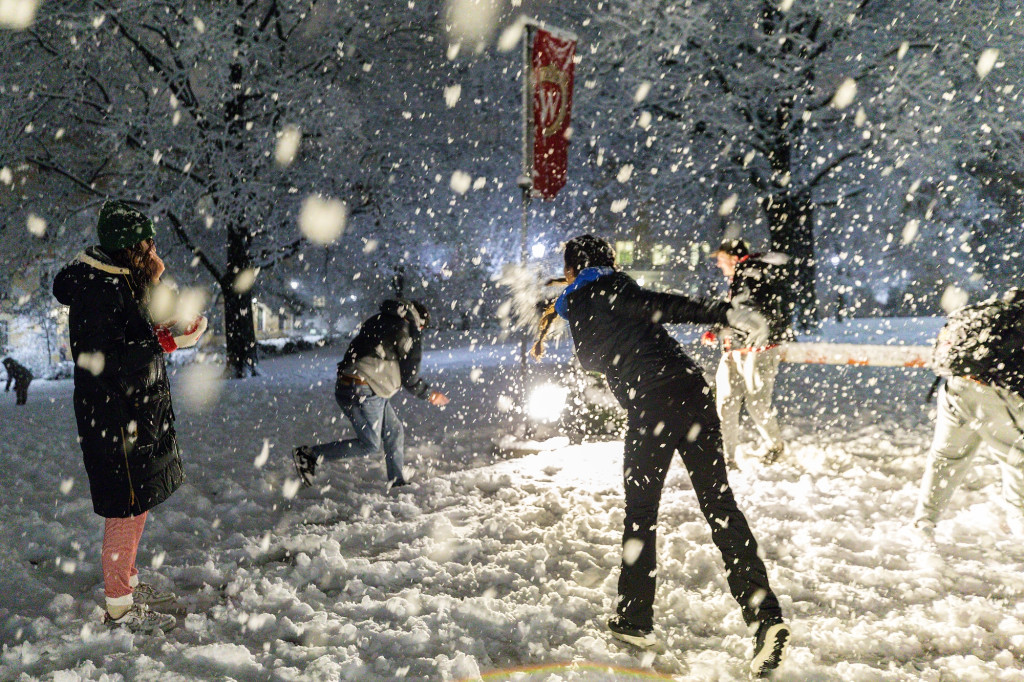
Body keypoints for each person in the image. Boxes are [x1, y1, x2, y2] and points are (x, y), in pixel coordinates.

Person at [536, 234, 790, 677]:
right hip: (693, 394)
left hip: (651, 405)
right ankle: (765, 617)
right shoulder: (595, 296)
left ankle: (635, 618)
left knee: (641, 514)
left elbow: (658, 307)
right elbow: (659, 308)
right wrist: (720, 312)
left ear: (573, 268)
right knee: (719, 505)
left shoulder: (590, 298)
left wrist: (723, 312)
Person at [53, 200, 207, 633]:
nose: (153, 246)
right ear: (128, 246)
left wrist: (167, 312)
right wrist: (167, 343)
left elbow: (139, 328)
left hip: (133, 411)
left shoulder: (121, 279)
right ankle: (119, 607)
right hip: (114, 417)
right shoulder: (98, 288)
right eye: (146, 242)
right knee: (125, 509)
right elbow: (104, 356)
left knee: (136, 505)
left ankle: (129, 583)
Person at [293, 299, 449, 489]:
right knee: (370, 444)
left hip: (361, 386)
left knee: (394, 431)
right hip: (363, 388)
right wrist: (430, 394)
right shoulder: (408, 331)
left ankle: (397, 481)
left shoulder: (380, 319)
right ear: (420, 322)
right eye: (422, 328)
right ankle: (310, 455)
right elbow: (410, 376)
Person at [915, 288, 1024, 537]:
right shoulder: (1016, 322)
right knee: (1018, 457)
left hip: (955, 386)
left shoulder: (989, 313)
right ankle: (1020, 522)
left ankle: (924, 522)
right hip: (991, 394)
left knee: (946, 458)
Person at [702, 238, 792, 466]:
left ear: (734, 259)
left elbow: (752, 314)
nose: (719, 265)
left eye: (722, 260)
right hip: (734, 350)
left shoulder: (751, 275)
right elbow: (737, 312)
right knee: (726, 403)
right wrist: (718, 329)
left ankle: (775, 446)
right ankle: (727, 457)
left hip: (758, 350)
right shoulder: (742, 279)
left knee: (757, 403)